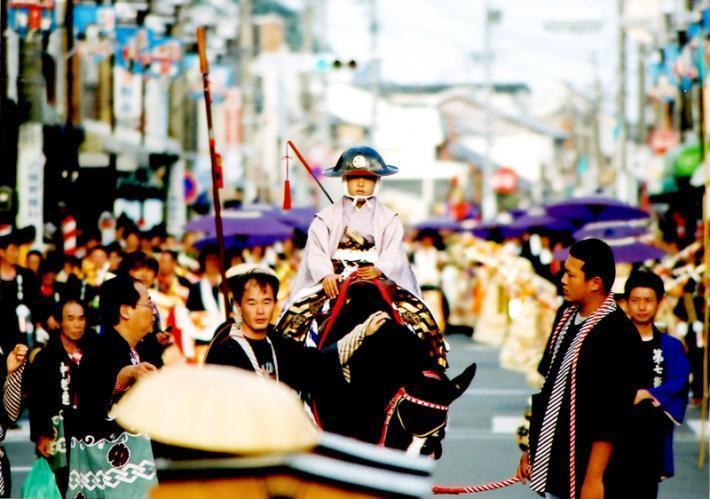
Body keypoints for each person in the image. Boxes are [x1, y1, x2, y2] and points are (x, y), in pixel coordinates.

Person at [517, 238, 643, 499]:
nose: (562, 279)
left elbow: (613, 415)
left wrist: (594, 480)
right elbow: (550, 386)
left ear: (595, 283)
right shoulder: (565, 317)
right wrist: (534, 446)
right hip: (556, 458)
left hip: (592, 470)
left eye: (570, 274)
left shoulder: (618, 333)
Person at [205, 264, 388, 395]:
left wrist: (362, 333)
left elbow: (317, 362)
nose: (260, 311)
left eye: (266, 302)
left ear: (275, 304)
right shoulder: (225, 349)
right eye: (252, 303)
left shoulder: (277, 342)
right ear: (238, 305)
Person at [287, 146, 420, 302]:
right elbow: (316, 252)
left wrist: (380, 268)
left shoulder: (390, 219)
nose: (361, 183)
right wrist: (325, 274)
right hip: (334, 281)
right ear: (345, 180)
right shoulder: (324, 218)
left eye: (368, 178)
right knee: (297, 318)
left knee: (415, 319)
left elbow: (394, 254)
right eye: (354, 177)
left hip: (377, 279)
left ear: (377, 180)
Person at [604, 271, 690, 499]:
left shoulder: (671, 346)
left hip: (650, 436)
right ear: (625, 303)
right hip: (612, 435)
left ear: (660, 302)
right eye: (635, 300)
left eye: (648, 300)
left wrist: (647, 394)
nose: (641, 307)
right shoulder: (610, 343)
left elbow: (679, 382)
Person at [25, 299, 97, 495]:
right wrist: (40, 434)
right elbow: (36, 399)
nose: (77, 324)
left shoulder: (95, 352)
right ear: (59, 322)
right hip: (58, 433)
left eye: (81, 318)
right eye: (70, 318)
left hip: (89, 432)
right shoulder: (46, 357)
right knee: (61, 486)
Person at [76, 274, 158, 438]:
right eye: (148, 303)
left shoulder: (143, 348)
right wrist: (126, 376)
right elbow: (94, 401)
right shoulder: (100, 351)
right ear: (126, 311)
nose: (154, 311)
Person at [0, 226, 38, 353]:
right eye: (12, 250)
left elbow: (36, 304)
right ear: (2, 251)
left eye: (18, 250)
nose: (16, 254)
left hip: (24, 335)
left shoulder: (28, 276)